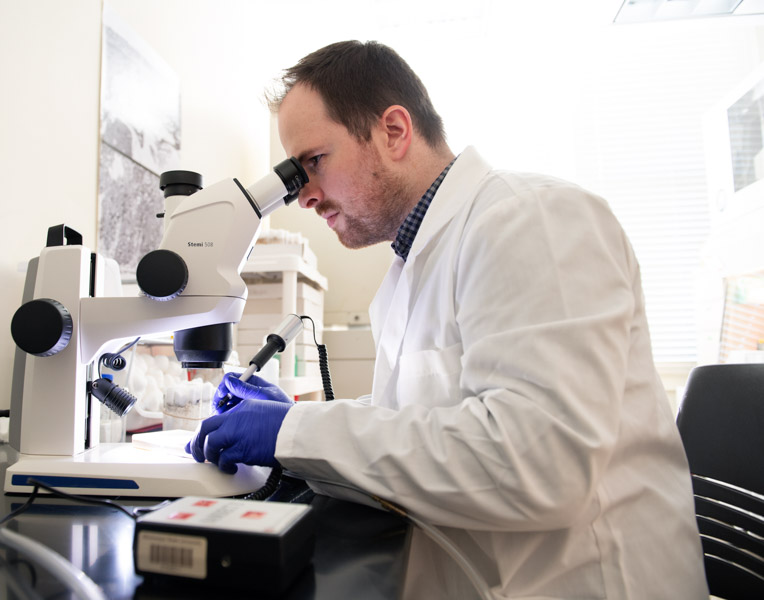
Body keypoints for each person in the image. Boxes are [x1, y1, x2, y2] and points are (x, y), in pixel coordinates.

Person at [187, 40, 708, 599]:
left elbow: (538, 459)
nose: (304, 197)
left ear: (393, 131)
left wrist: (296, 433)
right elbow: (431, 416)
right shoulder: (412, 266)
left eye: (313, 162)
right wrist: (295, 419)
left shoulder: (531, 219)